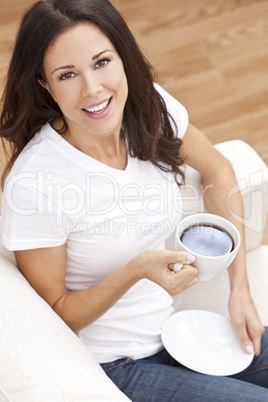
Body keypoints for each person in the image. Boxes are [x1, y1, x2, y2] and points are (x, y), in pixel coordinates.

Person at [0, 0, 267, 400]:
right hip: (115, 367)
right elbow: (56, 314)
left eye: (102, 62)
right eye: (68, 74)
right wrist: (135, 270)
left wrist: (239, 289)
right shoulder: (36, 184)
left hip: (175, 332)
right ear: (45, 85)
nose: (92, 89)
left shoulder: (148, 109)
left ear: (124, 58)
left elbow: (219, 170)